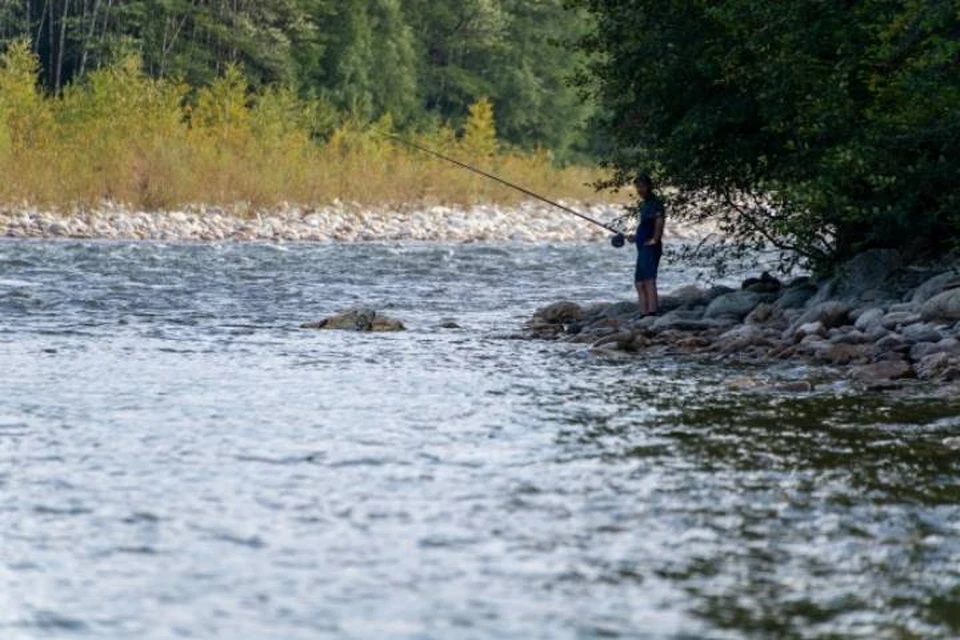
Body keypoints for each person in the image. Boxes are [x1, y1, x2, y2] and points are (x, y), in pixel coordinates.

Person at [628, 173, 664, 314]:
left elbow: (659, 221)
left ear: (649, 186)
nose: (639, 190)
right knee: (639, 282)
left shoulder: (655, 203)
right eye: (637, 187)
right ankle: (644, 313)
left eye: (642, 187)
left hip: (650, 247)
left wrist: (655, 239)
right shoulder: (644, 204)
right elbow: (645, 227)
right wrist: (635, 238)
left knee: (649, 280)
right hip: (642, 246)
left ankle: (652, 312)